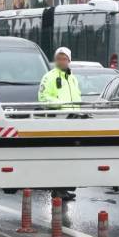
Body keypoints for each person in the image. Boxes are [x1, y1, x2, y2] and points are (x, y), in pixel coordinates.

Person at [40, 46, 82, 201]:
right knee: (60, 157)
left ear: (69, 60)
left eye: (64, 58)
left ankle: (64, 188)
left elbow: (77, 99)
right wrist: (62, 105)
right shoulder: (49, 77)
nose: (61, 61)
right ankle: (58, 189)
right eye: (59, 58)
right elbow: (44, 98)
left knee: (70, 158)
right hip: (58, 121)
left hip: (73, 121)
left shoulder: (72, 78)